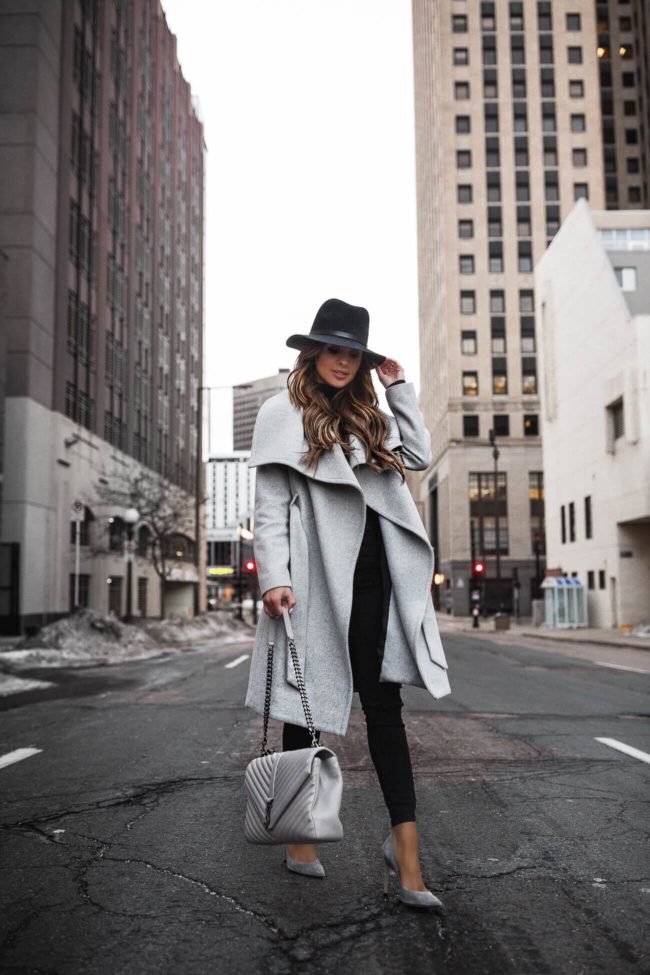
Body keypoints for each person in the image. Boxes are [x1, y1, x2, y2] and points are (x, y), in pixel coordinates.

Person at [245, 298, 451, 909]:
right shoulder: (281, 413)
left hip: (376, 577)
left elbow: (417, 454)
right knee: (304, 707)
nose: (342, 361)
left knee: (383, 707)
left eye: (353, 352)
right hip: (313, 580)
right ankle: (300, 834)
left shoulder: (369, 416)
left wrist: (400, 389)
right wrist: (273, 577)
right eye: (333, 349)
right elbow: (270, 504)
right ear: (312, 352)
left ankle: (406, 853)